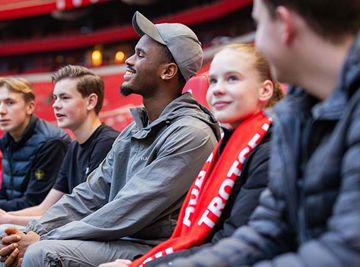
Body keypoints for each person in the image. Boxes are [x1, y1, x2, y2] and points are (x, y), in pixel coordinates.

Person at [0, 11, 220, 267]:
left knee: (41, 252)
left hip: (154, 248)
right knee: (14, 241)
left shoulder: (192, 134)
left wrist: (43, 237)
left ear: (168, 71)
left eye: (141, 55)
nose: (129, 60)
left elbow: (127, 209)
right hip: (121, 239)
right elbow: (91, 193)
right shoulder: (133, 130)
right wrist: (35, 230)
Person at [159, 0, 360, 266]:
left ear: (284, 24)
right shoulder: (298, 115)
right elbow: (270, 231)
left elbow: (343, 254)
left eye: (258, 24)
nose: (258, 42)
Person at [100, 43, 284, 267]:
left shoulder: (270, 152)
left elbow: (233, 242)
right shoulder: (228, 146)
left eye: (232, 79)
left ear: (264, 90)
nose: (217, 89)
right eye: (213, 81)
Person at [0, 65, 119, 267]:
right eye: (54, 98)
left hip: (92, 235)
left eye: (64, 98)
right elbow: (46, 207)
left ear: (91, 101)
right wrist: (1, 215)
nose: (55, 105)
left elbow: (89, 214)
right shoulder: (74, 147)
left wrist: (4, 219)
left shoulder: (107, 144)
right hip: (68, 226)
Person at [0, 77, 70, 267]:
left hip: (41, 221)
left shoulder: (51, 143)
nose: (1, 110)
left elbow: (35, 203)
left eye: (9, 102)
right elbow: (5, 194)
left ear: (30, 107)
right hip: (17, 211)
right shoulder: (9, 139)